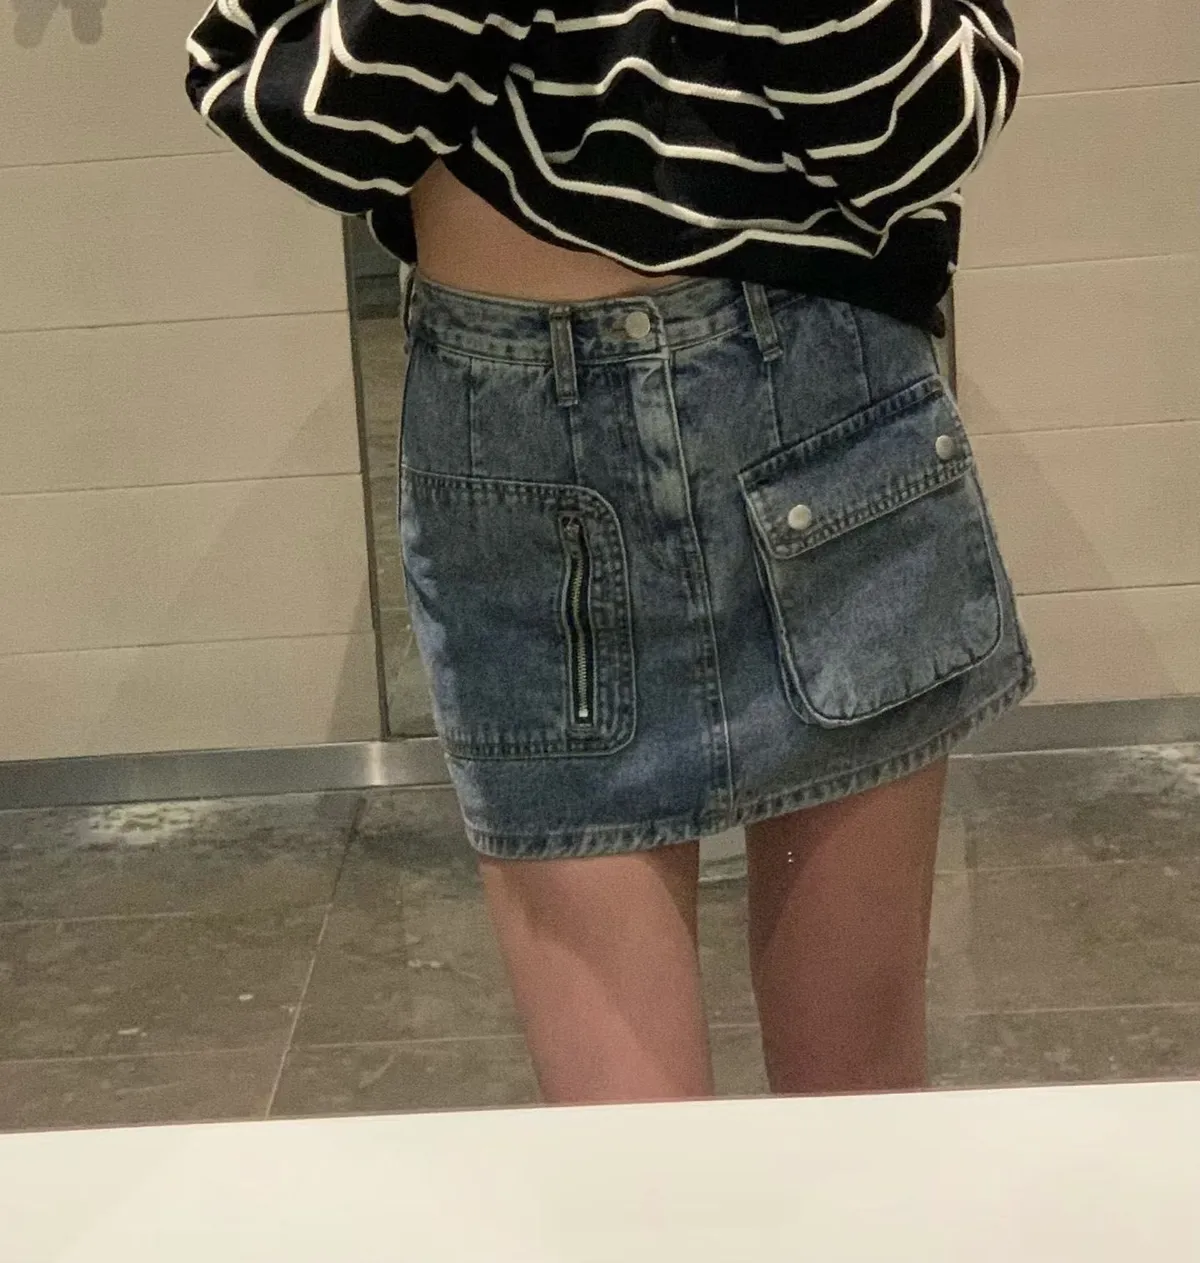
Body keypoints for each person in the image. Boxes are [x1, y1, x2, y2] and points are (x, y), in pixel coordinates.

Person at [186, 0, 1033, 1104]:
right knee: (630, 1162)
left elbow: (930, 127)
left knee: (860, 1127)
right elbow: (297, 109)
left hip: (824, 414)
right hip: (527, 455)